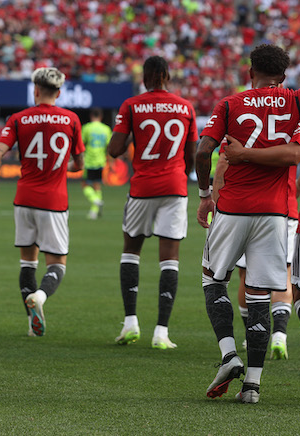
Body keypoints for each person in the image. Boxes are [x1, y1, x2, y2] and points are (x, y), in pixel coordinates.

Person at [196, 44, 300, 403]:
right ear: (284, 75)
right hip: (276, 212)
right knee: (260, 295)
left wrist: (204, 193)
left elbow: (201, 152)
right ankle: (252, 387)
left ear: (249, 70)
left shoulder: (229, 103)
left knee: (213, 279)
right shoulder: (297, 98)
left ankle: (228, 354)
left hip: (233, 207)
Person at [0, 67, 84, 337]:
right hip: (54, 200)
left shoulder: (18, 119)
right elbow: (78, 165)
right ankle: (40, 296)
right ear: (60, 92)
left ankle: (32, 325)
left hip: (24, 198)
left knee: (28, 263)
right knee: (57, 264)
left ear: (35, 90)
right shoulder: (71, 119)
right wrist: (58, 167)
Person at [108, 56, 198, 349]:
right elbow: (192, 154)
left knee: (131, 250)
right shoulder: (185, 107)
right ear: (167, 76)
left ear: (145, 77)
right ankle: (161, 332)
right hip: (175, 186)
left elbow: (114, 149)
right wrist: (177, 173)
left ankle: (130, 322)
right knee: (169, 257)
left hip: (143, 186)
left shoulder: (132, 105)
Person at [212, 152, 295, 360]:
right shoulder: (290, 124)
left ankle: (252, 333)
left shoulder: (243, 124)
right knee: (284, 273)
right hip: (284, 208)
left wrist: (215, 203)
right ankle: (279, 334)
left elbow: (222, 163)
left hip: (244, 208)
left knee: (246, 275)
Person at [81, 108, 111, 219]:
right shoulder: (106, 129)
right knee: (97, 186)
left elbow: (81, 143)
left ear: (91, 116)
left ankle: (95, 200)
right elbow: (109, 147)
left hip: (89, 160)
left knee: (84, 184)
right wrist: (110, 161)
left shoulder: (87, 128)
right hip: (100, 161)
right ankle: (94, 212)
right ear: (101, 117)